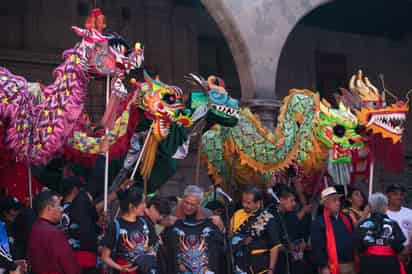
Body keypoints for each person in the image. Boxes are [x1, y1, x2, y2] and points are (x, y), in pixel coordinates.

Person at [160, 185, 225, 273]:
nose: (189, 207)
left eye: (193, 205)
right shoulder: (173, 213)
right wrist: (164, 222)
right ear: (183, 199)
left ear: (199, 203)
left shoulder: (208, 214)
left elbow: (222, 241)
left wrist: (221, 227)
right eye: (186, 203)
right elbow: (162, 237)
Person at [101, 187, 157, 274]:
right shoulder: (116, 226)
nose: (145, 206)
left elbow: (151, 247)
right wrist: (120, 268)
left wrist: (151, 254)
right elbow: (105, 257)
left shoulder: (145, 222)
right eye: (142, 203)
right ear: (131, 206)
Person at [230, 186, 281, 274]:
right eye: (243, 202)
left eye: (248, 203)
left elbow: (274, 246)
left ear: (258, 203)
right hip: (238, 264)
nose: (244, 205)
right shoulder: (237, 214)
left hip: (258, 265)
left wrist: (271, 270)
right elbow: (230, 235)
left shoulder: (267, 217)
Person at [28, 190, 81, 274]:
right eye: (59, 205)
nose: (61, 209)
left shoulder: (34, 229)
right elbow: (69, 265)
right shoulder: (53, 233)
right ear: (48, 208)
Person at [353, 193, 406, 274]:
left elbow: (357, 245)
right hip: (390, 264)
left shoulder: (363, 224)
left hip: (368, 264)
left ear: (370, 208)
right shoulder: (392, 224)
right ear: (385, 208)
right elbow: (399, 245)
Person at [311, 187, 356, 274]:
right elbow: (317, 248)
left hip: (350, 264)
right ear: (326, 204)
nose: (338, 203)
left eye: (338, 200)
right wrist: (324, 266)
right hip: (332, 266)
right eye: (334, 200)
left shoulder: (346, 218)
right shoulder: (319, 222)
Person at [274, 185, 306, 274]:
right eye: (291, 200)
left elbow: (298, 233)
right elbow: (272, 243)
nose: (294, 203)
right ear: (281, 200)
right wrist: (288, 247)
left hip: (295, 261)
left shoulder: (291, 215)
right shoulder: (272, 217)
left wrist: (302, 242)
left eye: (294, 200)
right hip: (279, 263)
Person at [385, 184, 412, 272]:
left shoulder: (409, 213)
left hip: (408, 258)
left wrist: (409, 249)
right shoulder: (381, 214)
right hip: (388, 259)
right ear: (387, 196)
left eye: (401, 194)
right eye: (395, 194)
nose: (399, 197)